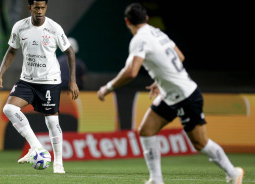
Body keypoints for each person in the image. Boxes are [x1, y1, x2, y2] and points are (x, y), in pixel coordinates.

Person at [97, 3, 244, 184]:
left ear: (127, 21)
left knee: (200, 142)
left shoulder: (139, 39)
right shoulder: (157, 32)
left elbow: (131, 72)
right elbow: (180, 57)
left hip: (186, 95)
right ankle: (156, 180)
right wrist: (160, 81)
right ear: (147, 18)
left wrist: (108, 87)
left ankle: (233, 173)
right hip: (170, 94)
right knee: (146, 130)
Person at [0, 0, 79, 174]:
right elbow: (11, 50)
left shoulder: (54, 28)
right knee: (9, 109)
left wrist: (72, 81)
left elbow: (69, 52)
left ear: (46, 8)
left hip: (49, 81)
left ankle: (58, 164)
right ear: (30, 7)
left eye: (43, 7)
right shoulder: (20, 27)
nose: (40, 11)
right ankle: (37, 147)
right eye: (37, 7)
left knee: (52, 122)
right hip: (27, 80)